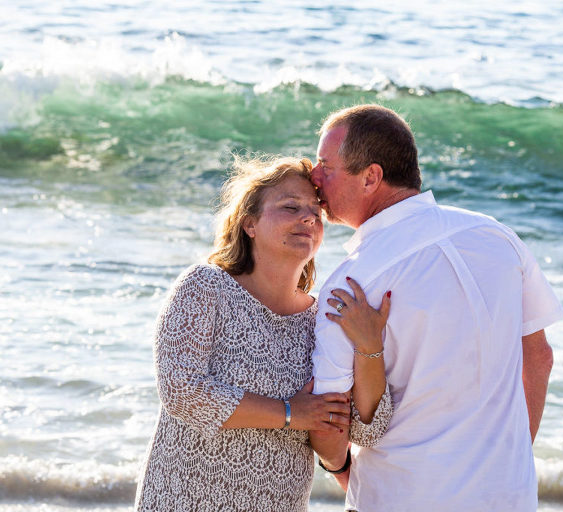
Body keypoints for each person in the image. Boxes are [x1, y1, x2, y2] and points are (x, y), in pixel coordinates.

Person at [309, 105, 563, 511]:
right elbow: (540, 357)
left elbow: (329, 416)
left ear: (371, 177)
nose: (313, 177)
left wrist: (340, 471)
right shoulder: (497, 236)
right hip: (507, 496)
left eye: (325, 165)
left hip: (400, 496)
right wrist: (510, 463)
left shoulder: (352, 284)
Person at [134, 156, 391, 512]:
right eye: (290, 207)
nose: (308, 218)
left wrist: (368, 347)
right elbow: (181, 390)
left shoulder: (325, 319)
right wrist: (290, 413)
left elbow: (367, 430)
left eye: (316, 211)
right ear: (249, 224)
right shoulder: (205, 287)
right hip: (184, 502)